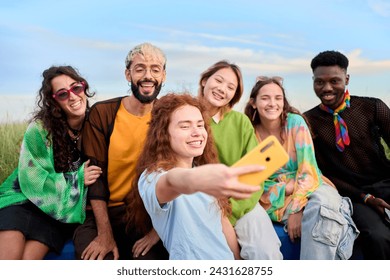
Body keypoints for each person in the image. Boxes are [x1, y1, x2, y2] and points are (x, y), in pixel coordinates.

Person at [126, 93, 264, 259]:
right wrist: (197, 179)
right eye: (185, 126)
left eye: (200, 125)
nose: (197, 132)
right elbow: (173, 181)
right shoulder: (152, 177)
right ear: (163, 133)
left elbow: (222, 223)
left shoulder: (201, 169)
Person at [244, 75, 359, 259]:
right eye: (265, 98)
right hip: (275, 196)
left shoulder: (295, 123)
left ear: (283, 102)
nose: (272, 103)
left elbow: (308, 169)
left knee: (323, 206)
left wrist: (297, 208)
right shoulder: (249, 132)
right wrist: (285, 187)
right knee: (324, 213)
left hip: (310, 185)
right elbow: (255, 180)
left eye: (278, 98)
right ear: (254, 103)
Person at [73, 42, 169, 260]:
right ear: (128, 74)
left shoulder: (167, 116)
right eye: (139, 69)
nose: (148, 76)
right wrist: (105, 234)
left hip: (146, 215)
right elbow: (95, 178)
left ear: (163, 75)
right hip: (102, 213)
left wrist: (157, 232)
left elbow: (178, 171)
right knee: (96, 259)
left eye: (155, 69)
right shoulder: (103, 113)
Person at [0, 65, 101, 259]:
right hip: (22, 201)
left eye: (76, 88)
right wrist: (77, 178)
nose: (72, 96)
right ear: (54, 102)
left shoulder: (96, 126)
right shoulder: (39, 130)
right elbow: (33, 179)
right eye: (63, 94)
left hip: (57, 212)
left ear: (83, 88)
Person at [304, 50, 390, 259]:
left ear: (347, 79)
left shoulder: (373, 107)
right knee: (378, 237)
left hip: (386, 181)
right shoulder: (308, 122)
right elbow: (322, 173)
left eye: (335, 81)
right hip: (354, 195)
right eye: (319, 82)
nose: (327, 88)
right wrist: (365, 198)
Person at [198, 60, 282, 260]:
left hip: (241, 202)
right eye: (218, 81)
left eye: (230, 87)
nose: (222, 89)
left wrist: (231, 211)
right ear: (204, 81)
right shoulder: (185, 117)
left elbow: (257, 173)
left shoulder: (240, 122)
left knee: (266, 253)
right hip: (202, 205)